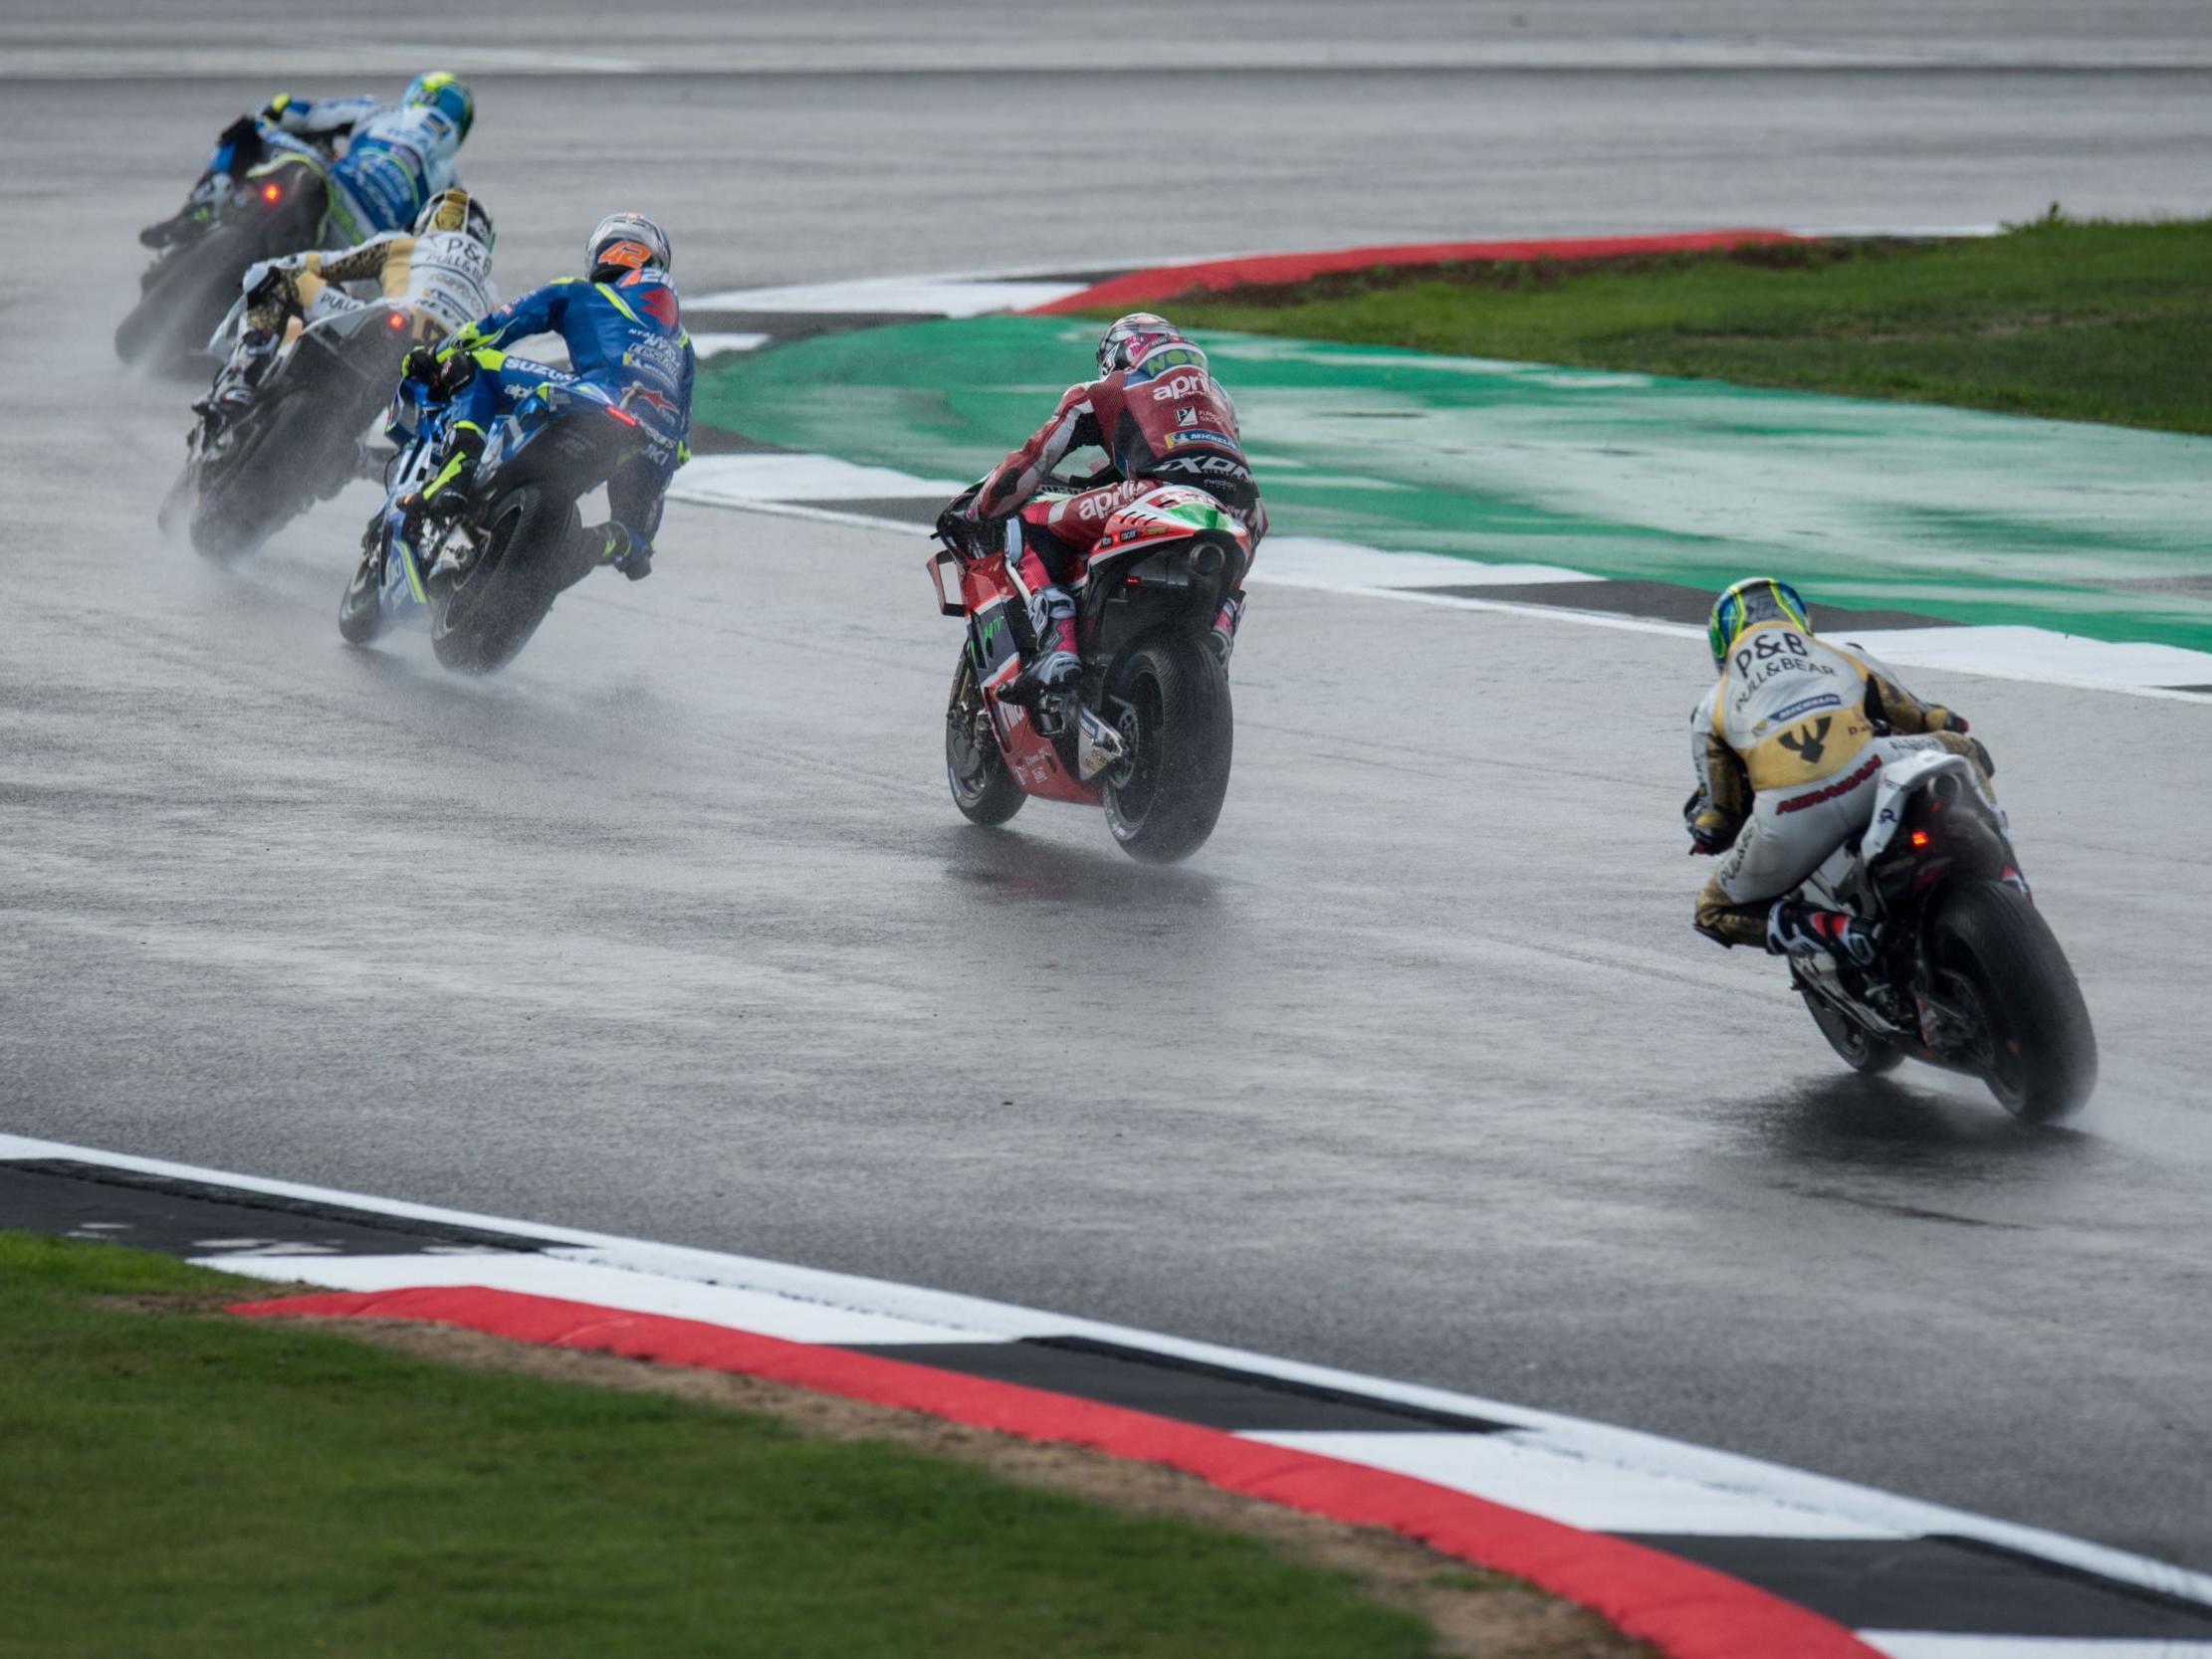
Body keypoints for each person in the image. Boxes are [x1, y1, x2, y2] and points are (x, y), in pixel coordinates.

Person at [958, 311, 1264, 702]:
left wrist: (979, 510)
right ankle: (1220, 629)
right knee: (1229, 564)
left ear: (1115, 354)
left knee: (1029, 518)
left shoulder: (1103, 390)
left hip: (1156, 490)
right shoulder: (1218, 396)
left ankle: (1059, 646)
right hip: (1242, 509)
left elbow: (1026, 467)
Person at [1685, 577, 1992, 963]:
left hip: (1789, 815)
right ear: (1799, 619)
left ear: (1721, 642)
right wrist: (1949, 721)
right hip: (1870, 769)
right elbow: (1926, 717)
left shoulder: (1712, 705)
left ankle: (1844, 933)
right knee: (1963, 751)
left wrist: (1705, 832)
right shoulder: (1842, 654)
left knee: (1712, 910)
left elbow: (1720, 818)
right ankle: (2005, 875)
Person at [394, 211, 693, 580]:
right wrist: (640, 539)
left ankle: (453, 479)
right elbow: (680, 442)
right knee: (634, 537)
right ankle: (612, 541)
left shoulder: (579, 292)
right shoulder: (681, 343)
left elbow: (497, 326)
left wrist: (435, 354)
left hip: (593, 398)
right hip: (649, 436)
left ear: (601, 254)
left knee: (479, 366)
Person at [198, 187, 499, 429]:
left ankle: (242, 377)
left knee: (270, 276)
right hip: (441, 365)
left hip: (389, 321)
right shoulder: (491, 293)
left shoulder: (404, 243)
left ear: (428, 220)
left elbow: (325, 265)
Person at [142, 73, 475, 252]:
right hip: (368, 242)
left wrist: (273, 113)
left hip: (333, 186)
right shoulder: (452, 184)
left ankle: (201, 206)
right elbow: (442, 246)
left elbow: (294, 110)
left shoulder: (380, 112)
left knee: (251, 127)